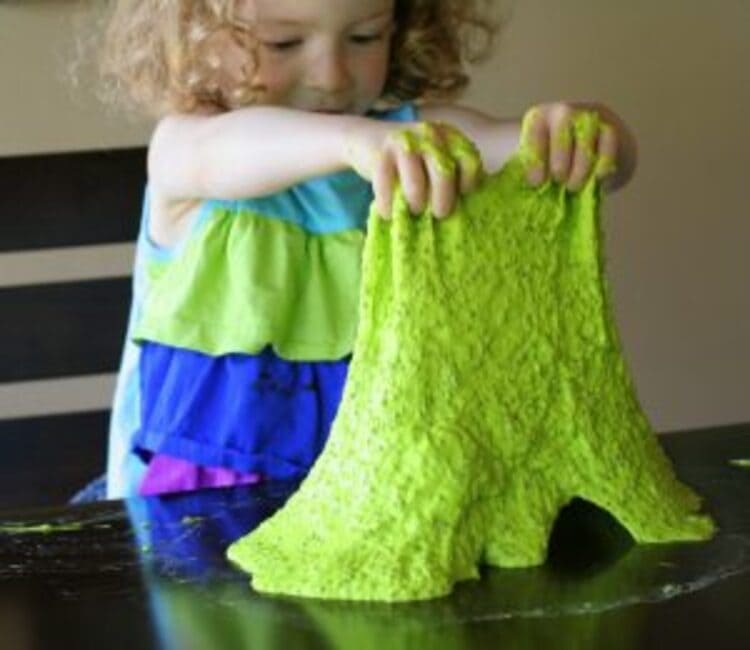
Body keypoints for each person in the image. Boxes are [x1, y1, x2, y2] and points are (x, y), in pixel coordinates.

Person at [90, 0, 637, 500]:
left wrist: (592, 133)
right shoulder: (188, 150)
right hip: (183, 523)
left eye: (364, 38)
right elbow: (218, 153)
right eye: (283, 43)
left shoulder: (414, 140)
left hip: (367, 500)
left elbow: (548, 158)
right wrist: (351, 142)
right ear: (198, 36)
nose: (331, 77)